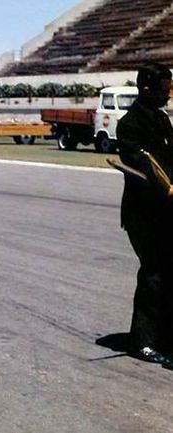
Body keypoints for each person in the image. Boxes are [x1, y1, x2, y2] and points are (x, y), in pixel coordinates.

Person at [116, 61, 173, 368]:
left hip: (166, 210)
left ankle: (164, 335)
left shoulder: (162, 120)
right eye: (163, 89)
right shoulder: (129, 125)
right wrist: (166, 184)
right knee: (154, 272)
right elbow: (144, 164)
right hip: (143, 214)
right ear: (146, 88)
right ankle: (143, 342)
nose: (168, 94)